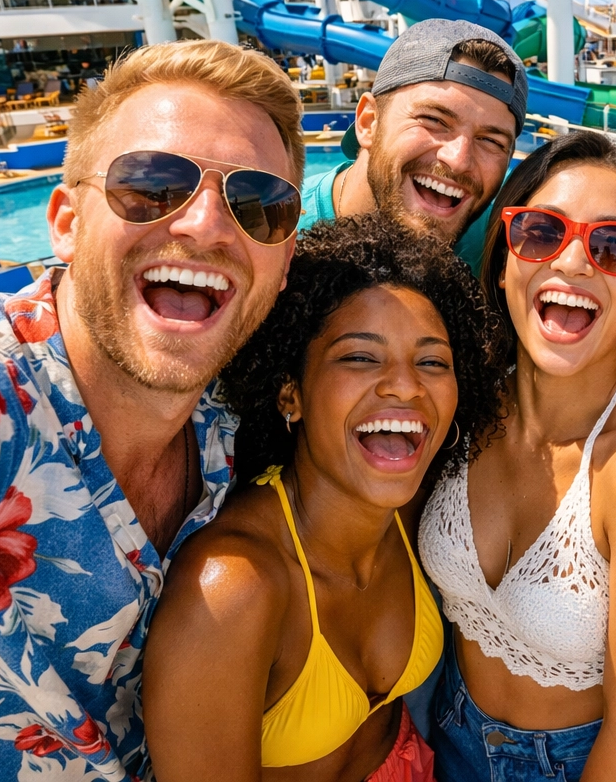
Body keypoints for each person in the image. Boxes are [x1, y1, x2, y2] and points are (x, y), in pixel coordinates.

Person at [0, 40, 304, 779]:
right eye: (152, 185)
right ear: (65, 222)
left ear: (282, 267)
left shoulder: (227, 431)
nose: (207, 226)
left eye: (258, 206)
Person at [142, 213, 508, 781]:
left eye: (432, 361)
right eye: (361, 357)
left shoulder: (412, 513)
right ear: (291, 392)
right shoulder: (233, 593)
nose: (407, 385)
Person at [418, 131, 616, 781]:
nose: (574, 263)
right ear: (504, 260)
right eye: (542, 232)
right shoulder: (463, 405)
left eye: (615, 246)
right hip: (453, 736)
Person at [298, 19, 527, 270]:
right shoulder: (276, 235)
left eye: (490, 141)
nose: (458, 160)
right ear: (369, 122)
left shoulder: (506, 255)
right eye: (433, 120)